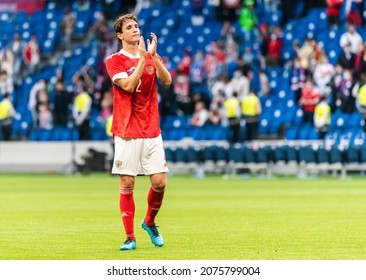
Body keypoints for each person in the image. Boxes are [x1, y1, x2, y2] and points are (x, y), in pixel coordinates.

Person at [105, 14, 172, 251]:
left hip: (151, 129)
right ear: (120, 35)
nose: (135, 30)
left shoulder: (151, 56)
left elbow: (167, 80)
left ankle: (150, 222)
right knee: (127, 182)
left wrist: (153, 57)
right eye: (129, 27)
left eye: (136, 26)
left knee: (160, 182)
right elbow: (128, 85)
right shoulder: (114, 60)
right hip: (126, 130)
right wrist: (143, 60)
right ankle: (130, 237)